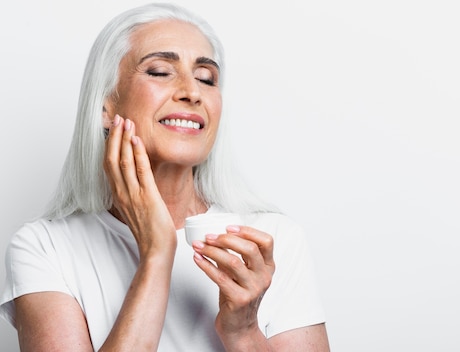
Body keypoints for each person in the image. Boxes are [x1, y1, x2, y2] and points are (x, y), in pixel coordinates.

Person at [0, 3, 330, 351]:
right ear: (105, 107)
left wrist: (244, 331)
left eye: (206, 78)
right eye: (159, 71)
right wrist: (157, 253)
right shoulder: (43, 248)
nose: (192, 91)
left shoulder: (272, 240)